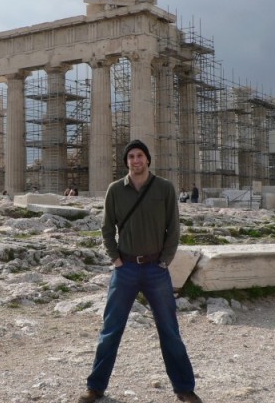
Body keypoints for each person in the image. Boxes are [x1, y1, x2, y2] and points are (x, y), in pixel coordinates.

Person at [78, 139, 202, 403]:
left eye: (140, 156)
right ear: (127, 162)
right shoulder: (115, 190)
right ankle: (95, 387)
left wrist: (166, 259)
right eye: (131, 157)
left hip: (156, 268)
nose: (136, 160)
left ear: (148, 159)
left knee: (169, 330)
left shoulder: (165, 188)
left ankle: (184, 389)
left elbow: (174, 228)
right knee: (111, 329)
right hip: (125, 269)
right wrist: (115, 259)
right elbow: (106, 228)